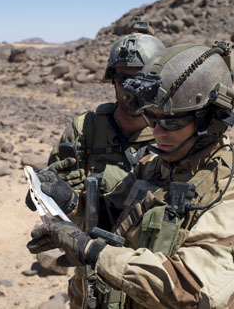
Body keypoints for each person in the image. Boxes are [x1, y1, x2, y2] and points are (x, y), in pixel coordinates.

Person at [28, 42, 234, 308]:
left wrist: (90, 251)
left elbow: (192, 289)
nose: (157, 133)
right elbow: (112, 218)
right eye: (152, 119)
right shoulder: (155, 164)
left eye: (171, 122)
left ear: (210, 120)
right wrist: (70, 202)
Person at [28, 24, 165, 308]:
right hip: (93, 273)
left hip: (151, 278)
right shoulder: (86, 129)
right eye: (125, 81)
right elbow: (66, 211)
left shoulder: (175, 135)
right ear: (112, 80)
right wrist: (51, 196)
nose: (133, 91)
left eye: (143, 81)